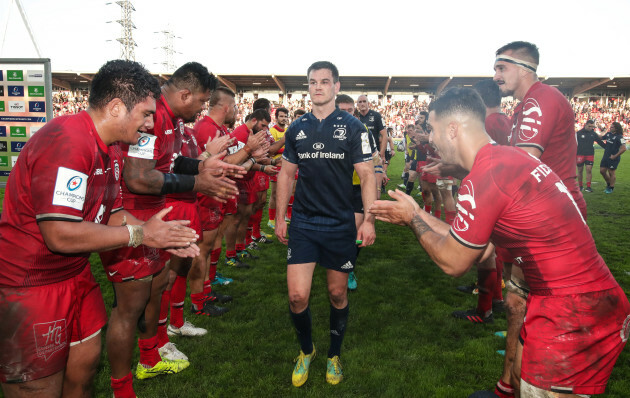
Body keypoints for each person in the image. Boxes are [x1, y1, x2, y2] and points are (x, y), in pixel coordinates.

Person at [371, 87, 630, 398]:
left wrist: (412, 219)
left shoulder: (486, 176)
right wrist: (416, 212)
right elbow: (477, 249)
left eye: (434, 129)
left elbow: (454, 262)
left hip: (572, 311)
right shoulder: (508, 157)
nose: (432, 140)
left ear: (452, 129)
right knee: (521, 378)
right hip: (575, 299)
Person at [0, 60, 199, 398]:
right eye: (146, 114)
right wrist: (141, 234)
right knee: (38, 388)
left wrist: (160, 236)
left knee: (85, 371)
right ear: (117, 107)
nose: (151, 125)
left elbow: (114, 213)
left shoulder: (113, 147)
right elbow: (59, 233)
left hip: (75, 275)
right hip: (32, 285)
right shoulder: (69, 140)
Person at [99, 62, 244, 398]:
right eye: (201, 101)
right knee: (129, 306)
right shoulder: (154, 115)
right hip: (133, 215)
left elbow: (170, 162)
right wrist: (198, 181)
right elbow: (138, 177)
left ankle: (152, 354)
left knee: (159, 284)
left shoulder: (171, 118)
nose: (201, 108)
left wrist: (202, 166)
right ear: (185, 94)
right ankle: (127, 384)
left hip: (153, 211)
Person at [275, 61, 376, 387]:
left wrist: (369, 220)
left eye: (324, 81)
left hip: (339, 224)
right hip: (304, 223)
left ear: (335, 86)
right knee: (296, 297)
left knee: (336, 294)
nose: (318, 87)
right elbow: (287, 174)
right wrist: (280, 216)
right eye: (312, 82)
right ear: (308, 87)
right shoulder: (297, 128)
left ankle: (334, 354)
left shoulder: (353, 127)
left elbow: (367, 175)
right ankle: (307, 351)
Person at [335, 94, 379, 291]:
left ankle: (349, 266)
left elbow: (375, 159)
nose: (346, 115)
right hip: (334, 188)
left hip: (357, 187)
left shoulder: (363, 131)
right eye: (342, 111)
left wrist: (377, 176)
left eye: (350, 111)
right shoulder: (324, 130)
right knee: (337, 230)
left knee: (356, 228)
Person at [357, 95, 386, 193]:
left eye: (364, 101)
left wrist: (382, 154)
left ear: (368, 103)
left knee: (375, 179)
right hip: (360, 155)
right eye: (360, 102)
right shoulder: (355, 117)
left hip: (374, 154)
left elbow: (384, 135)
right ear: (357, 104)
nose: (362, 104)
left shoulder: (376, 115)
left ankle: (377, 192)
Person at [267, 107, 290, 230]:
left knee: (286, 193)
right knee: (275, 194)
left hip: (287, 166)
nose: (284, 118)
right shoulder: (272, 131)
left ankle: (283, 216)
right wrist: (286, 149)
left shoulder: (287, 130)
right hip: (275, 165)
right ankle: (271, 220)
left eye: (285, 116)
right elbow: (272, 149)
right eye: (281, 116)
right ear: (276, 118)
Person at [576, 120, 604, 192]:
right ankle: (580, 186)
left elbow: (600, 142)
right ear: (585, 125)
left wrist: (607, 148)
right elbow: (573, 144)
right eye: (589, 126)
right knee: (580, 170)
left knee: (589, 170)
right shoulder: (578, 133)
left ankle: (588, 187)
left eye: (592, 127)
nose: (591, 128)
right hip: (579, 154)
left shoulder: (593, 134)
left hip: (590, 154)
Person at [599, 122, 626, 193]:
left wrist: (615, 156)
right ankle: (609, 183)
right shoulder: (608, 134)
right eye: (610, 126)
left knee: (611, 172)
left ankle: (611, 187)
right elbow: (601, 137)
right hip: (606, 156)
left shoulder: (620, 137)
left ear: (616, 129)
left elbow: (624, 148)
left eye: (612, 127)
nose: (610, 128)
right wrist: (593, 133)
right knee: (602, 171)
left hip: (613, 157)